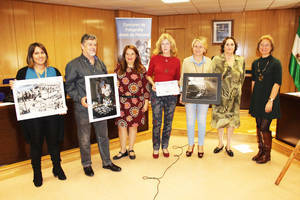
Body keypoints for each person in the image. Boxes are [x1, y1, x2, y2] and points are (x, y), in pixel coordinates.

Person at [10, 42, 66, 187]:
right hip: (33, 118)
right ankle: (37, 173)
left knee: (54, 143)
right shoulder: (23, 73)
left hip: (53, 115)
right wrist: (13, 88)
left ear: (46, 55)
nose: (40, 55)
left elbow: (62, 92)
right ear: (31, 56)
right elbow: (19, 96)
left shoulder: (54, 71)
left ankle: (57, 168)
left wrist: (62, 105)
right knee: (36, 145)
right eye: (36, 53)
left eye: (42, 52)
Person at [65, 34, 121, 177]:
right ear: (82, 46)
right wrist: (79, 98)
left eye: (95, 44)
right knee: (84, 138)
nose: (93, 47)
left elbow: (103, 84)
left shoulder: (100, 63)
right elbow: (69, 87)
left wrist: (112, 85)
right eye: (89, 44)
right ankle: (86, 164)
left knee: (103, 136)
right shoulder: (73, 65)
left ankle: (107, 162)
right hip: (83, 108)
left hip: (100, 107)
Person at [146, 33, 181, 159]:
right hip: (157, 94)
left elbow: (177, 79)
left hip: (171, 96)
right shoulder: (155, 58)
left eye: (167, 43)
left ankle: (165, 145)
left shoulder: (177, 61)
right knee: (156, 122)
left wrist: (177, 87)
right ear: (160, 45)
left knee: (168, 122)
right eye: (163, 43)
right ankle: (156, 147)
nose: (165, 46)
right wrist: (153, 84)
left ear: (171, 45)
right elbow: (148, 74)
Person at [113, 45, 150, 160]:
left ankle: (131, 148)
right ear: (124, 56)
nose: (129, 56)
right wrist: (114, 85)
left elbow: (146, 86)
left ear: (136, 56)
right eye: (127, 54)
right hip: (122, 102)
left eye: (132, 54)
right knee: (122, 127)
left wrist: (146, 102)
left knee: (133, 126)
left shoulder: (141, 69)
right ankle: (123, 150)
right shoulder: (118, 69)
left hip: (136, 103)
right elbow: (110, 86)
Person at [249, 35, 282, 164]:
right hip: (257, 100)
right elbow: (253, 82)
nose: (264, 47)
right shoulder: (255, 63)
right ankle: (260, 151)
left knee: (264, 127)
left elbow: (277, 84)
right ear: (258, 47)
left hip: (269, 99)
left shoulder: (276, 63)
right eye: (261, 45)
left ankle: (267, 154)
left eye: (267, 45)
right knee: (258, 125)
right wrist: (254, 99)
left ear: (271, 47)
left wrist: (271, 100)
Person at [211, 37, 245, 157]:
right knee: (220, 118)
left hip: (235, 97)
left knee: (231, 121)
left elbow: (243, 77)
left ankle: (229, 145)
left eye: (232, 44)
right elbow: (212, 77)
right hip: (220, 95)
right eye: (227, 44)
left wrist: (236, 89)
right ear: (223, 46)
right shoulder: (216, 59)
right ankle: (220, 143)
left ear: (235, 47)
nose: (229, 47)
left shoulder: (240, 60)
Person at [179, 37, 212, 158]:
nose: (198, 49)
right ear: (192, 48)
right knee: (190, 120)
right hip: (190, 95)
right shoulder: (186, 61)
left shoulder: (209, 61)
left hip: (205, 95)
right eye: (195, 46)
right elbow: (182, 78)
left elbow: (212, 79)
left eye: (200, 46)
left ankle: (201, 145)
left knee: (202, 121)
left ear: (205, 49)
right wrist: (182, 93)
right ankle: (190, 144)